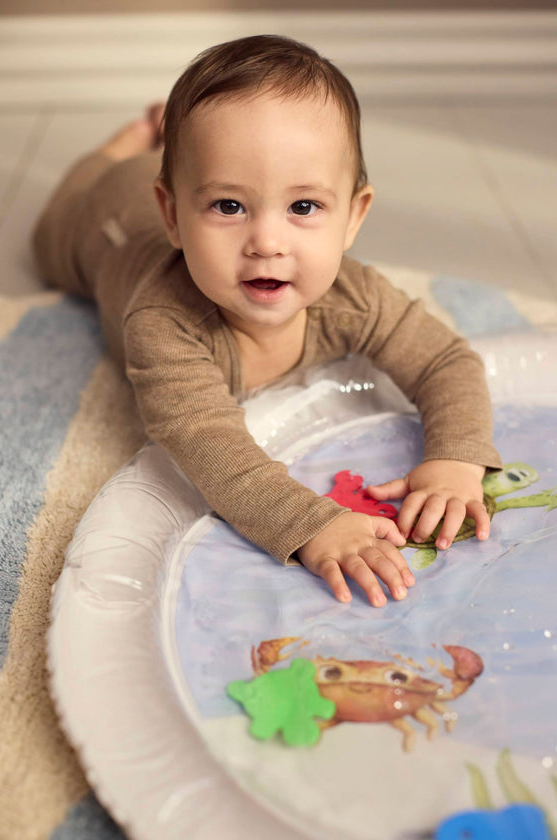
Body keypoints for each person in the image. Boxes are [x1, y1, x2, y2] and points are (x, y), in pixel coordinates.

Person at [33, 34, 502, 608]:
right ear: (174, 217)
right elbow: (209, 443)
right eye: (228, 206)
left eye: (303, 207)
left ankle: (153, 156)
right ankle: (119, 149)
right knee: (53, 235)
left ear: (352, 217)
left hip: (148, 203)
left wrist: (455, 458)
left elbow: (445, 360)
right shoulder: (164, 321)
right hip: (104, 224)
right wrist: (310, 522)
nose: (267, 242)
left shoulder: (353, 296)